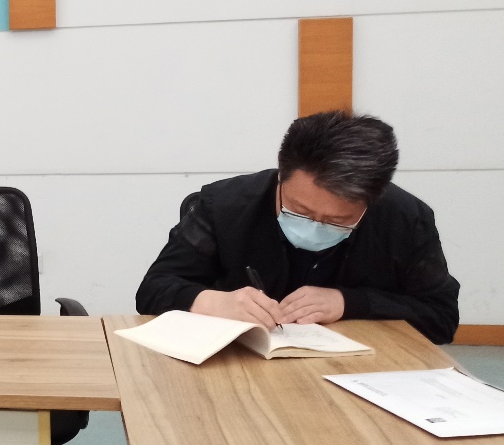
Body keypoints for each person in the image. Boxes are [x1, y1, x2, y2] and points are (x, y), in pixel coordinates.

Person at [136, 111, 460, 345]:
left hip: (359, 373)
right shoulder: (224, 205)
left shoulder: (404, 218)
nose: (315, 226)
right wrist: (214, 302)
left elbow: (441, 318)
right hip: (236, 367)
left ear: (373, 199)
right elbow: (153, 290)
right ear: (281, 174)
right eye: (300, 211)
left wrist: (350, 303)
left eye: (337, 220)